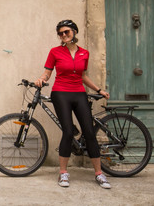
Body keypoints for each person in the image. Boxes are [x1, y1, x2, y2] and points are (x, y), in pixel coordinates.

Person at [35, 19, 112, 189]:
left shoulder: (84, 53)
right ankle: (63, 173)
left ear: (74, 32)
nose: (63, 35)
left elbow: (83, 76)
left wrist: (99, 90)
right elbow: (48, 72)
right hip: (61, 93)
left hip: (79, 93)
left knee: (89, 132)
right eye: (60, 33)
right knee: (68, 132)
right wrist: (41, 79)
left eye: (66, 32)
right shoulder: (55, 52)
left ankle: (99, 173)